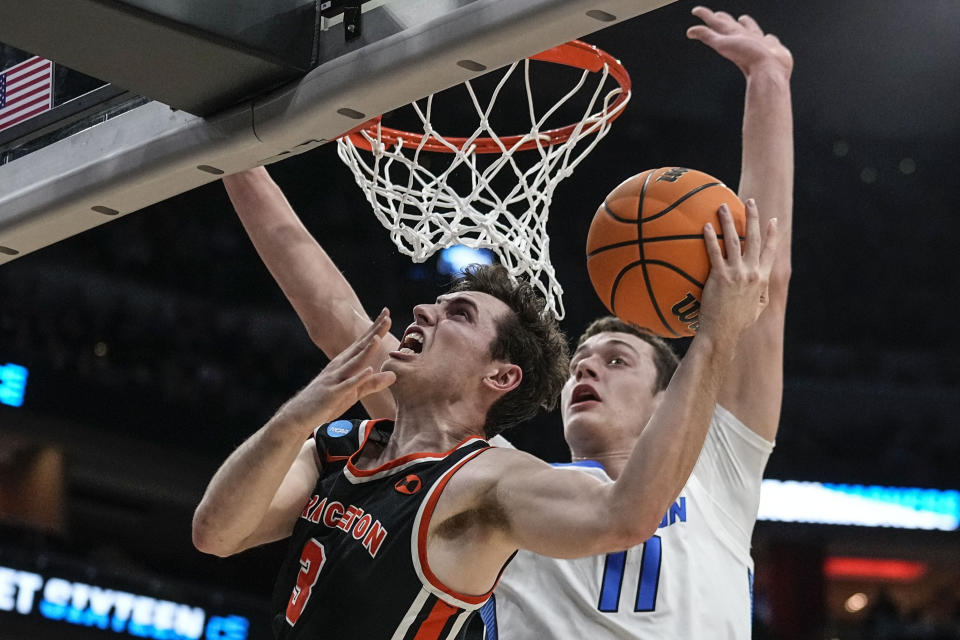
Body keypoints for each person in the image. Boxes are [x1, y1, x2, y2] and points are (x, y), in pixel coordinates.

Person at [207, 6, 790, 639]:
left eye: (618, 358)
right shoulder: (499, 481)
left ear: (667, 398)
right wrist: (228, 150)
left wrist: (768, 81)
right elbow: (341, 324)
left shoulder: (716, 475)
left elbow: (764, 281)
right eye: (583, 363)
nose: (588, 365)